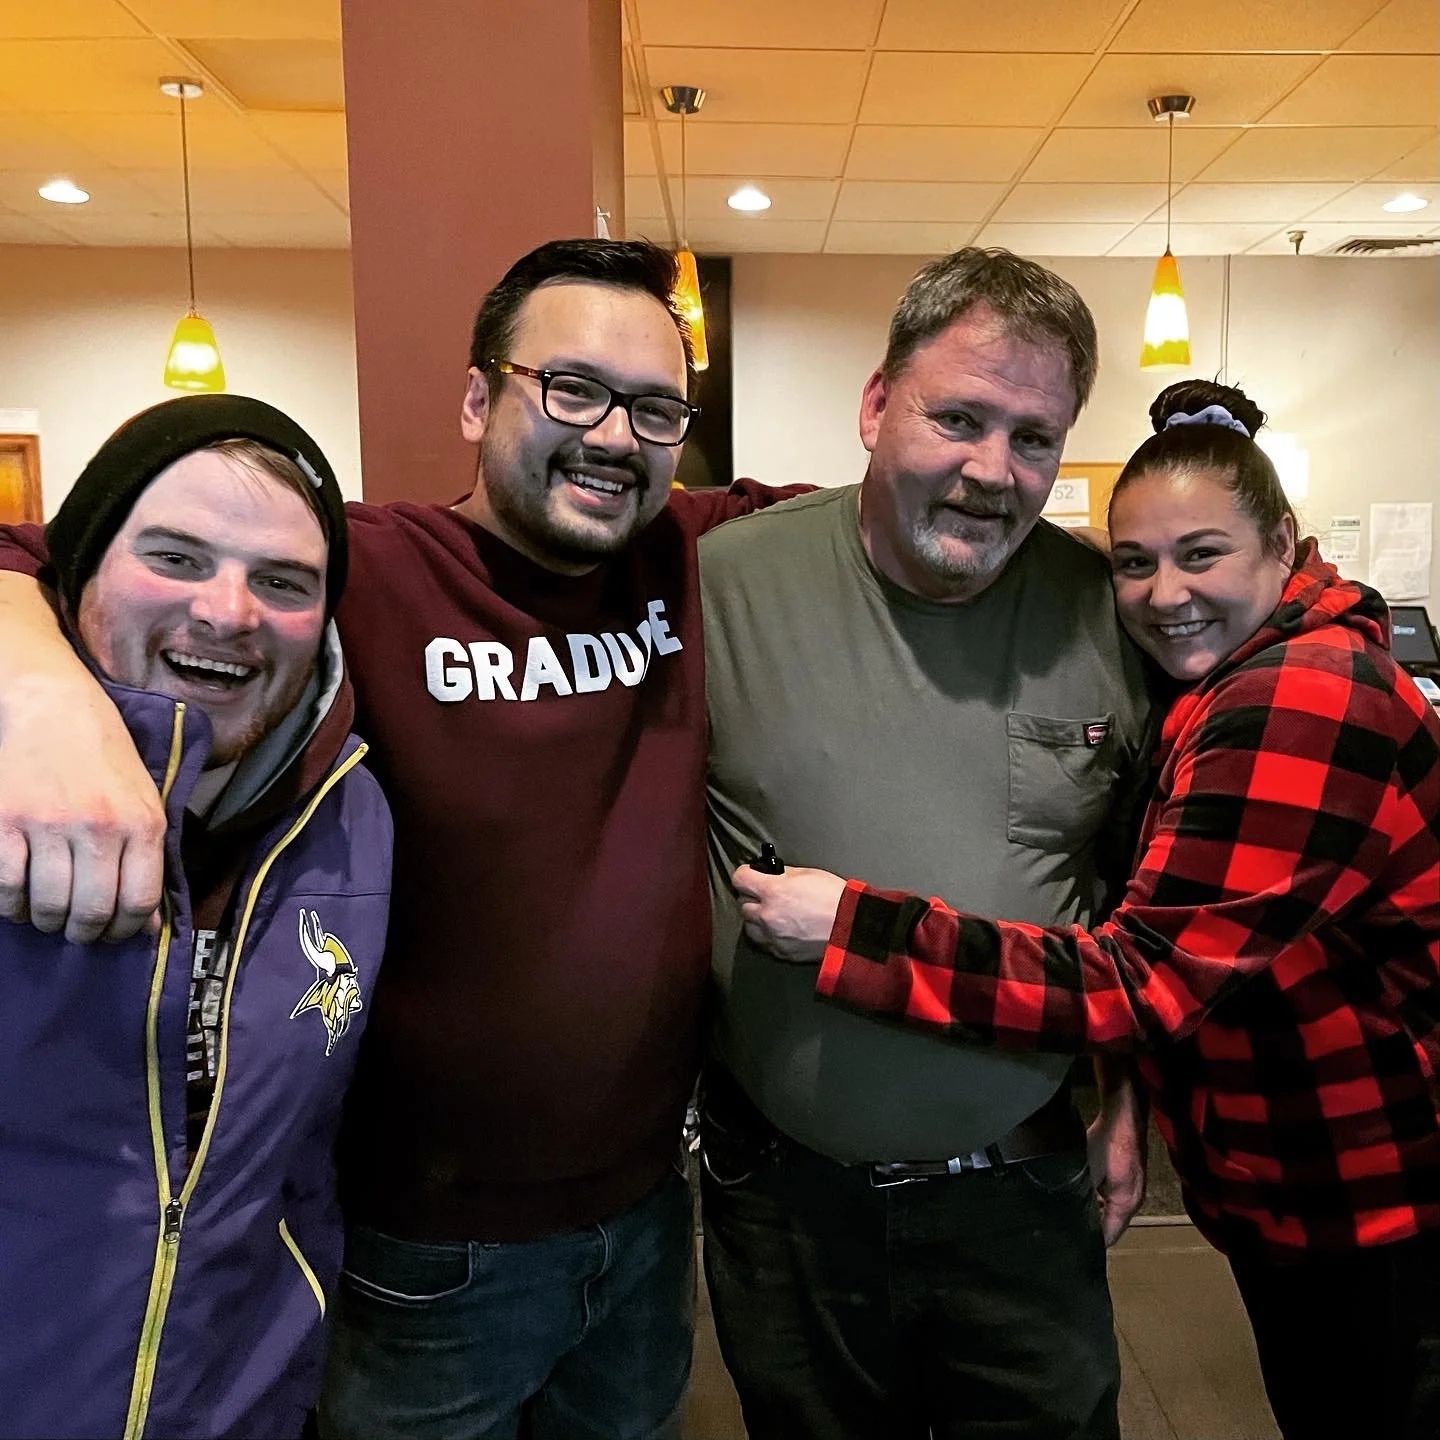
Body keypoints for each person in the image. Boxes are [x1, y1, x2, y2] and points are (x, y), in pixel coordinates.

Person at [0, 239, 804, 1440]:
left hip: (646, 1218)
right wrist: (29, 682)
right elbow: (45, 551)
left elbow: (875, 520)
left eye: (653, 409)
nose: (613, 435)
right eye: (570, 389)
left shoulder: (688, 557)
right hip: (416, 1256)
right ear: (480, 399)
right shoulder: (355, 568)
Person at [736, 380, 1440, 1440]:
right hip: (1301, 1190)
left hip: (1382, 1203)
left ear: (1284, 546)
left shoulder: (1300, 698)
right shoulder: (1217, 684)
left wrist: (854, 927)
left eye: (1202, 555)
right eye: (1135, 562)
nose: (1164, 594)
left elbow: (1139, 977)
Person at [697, 247, 1156, 1440]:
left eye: (1035, 438)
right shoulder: (721, 587)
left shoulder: (1106, 607)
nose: (993, 471)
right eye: (958, 417)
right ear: (874, 405)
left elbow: (1136, 897)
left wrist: (1132, 1100)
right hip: (790, 1201)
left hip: (1026, 1191)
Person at [0, 394, 393, 1440]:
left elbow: (299, 1156)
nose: (229, 612)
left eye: (283, 582)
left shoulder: (352, 814)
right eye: (174, 557)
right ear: (75, 571)